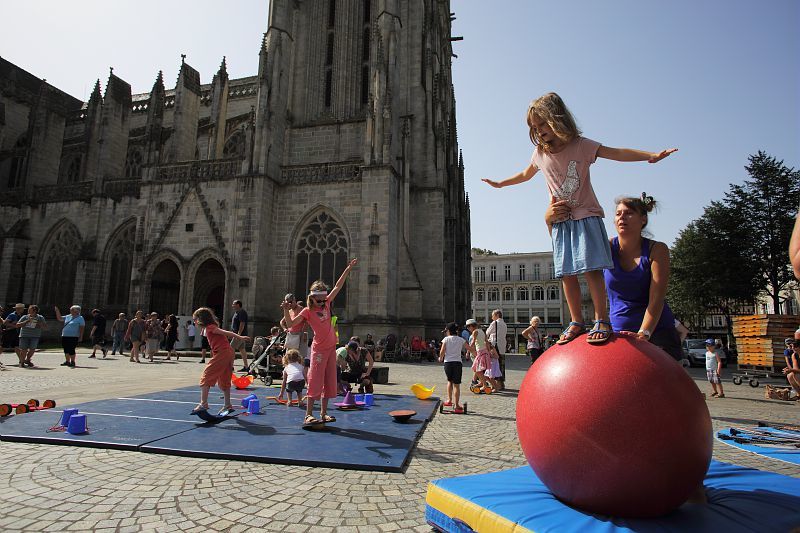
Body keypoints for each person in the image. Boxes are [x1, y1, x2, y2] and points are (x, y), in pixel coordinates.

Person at [483, 92, 676, 346]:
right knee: (566, 274)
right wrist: (500, 184)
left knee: (592, 270)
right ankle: (576, 321)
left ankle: (601, 319)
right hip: (561, 221)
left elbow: (615, 152)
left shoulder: (580, 145)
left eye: (543, 124)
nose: (539, 131)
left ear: (557, 119)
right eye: (535, 127)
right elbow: (524, 174)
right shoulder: (539, 153)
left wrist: (649, 155)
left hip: (586, 216)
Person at [282, 258, 358, 426]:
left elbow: (338, 286)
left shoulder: (326, 304)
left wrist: (347, 269)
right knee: (315, 381)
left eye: (324, 299)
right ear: (312, 298)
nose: (323, 302)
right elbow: (291, 324)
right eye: (320, 299)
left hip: (331, 349)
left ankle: (323, 413)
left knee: (330, 381)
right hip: (319, 350)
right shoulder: (308, 311)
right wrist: (287, 311)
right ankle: (308, 414)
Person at [191, 307, 251, 416]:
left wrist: (239, 337)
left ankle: (203, 404)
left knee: (206, 376)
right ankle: (227, 404)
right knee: (224, 378)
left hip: (222, 353)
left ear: (201, 319)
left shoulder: (210, 327)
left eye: (195, 319)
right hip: (227, 352)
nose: (194, 322)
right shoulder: (208, 328)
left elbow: (226, 332)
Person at [439, 322, 468, 413]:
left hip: (448, 363)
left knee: (449, 381)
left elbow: (442, 350)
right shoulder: (461, 339)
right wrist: (474, 354)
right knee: (456, 385)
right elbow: (469, 348)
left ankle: (449, 400)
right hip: (457, 363)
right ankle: (457, 405)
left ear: (448, 331)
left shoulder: (446, 339)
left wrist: (441, 358)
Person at [465, 319, 491, 393]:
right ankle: (482, 383)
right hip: (484, 351)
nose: (468, 329)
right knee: (478, 370)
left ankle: (484, 385)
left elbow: (472, 343)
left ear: (471, 326)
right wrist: (488, 351)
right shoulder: (482, 331)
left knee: (477, 370)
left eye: (468, 327)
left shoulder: (475, 332)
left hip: (480, 352)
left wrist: (467, 352)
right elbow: (487, 342)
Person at [485, 310, 507, 389]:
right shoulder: (504, 324)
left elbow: (487, 333)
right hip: (502, 347)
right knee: (501, 365)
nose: (492, 317)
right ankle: (501, 383)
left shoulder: (495, 323)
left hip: (495, 346)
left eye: (492, 315)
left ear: (497, 315)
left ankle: (496, 384)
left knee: (494, 366)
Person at [230, 300, 250, 372]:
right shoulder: (237, 312)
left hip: (239, 335)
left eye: (233, 304)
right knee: (242, 350)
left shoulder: (241, 312)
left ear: (238, 305)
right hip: (239, 334)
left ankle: (231, 366)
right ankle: (246, 367)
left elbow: (242, 323)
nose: (232, 305)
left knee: (231, 349)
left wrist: (238, 334)